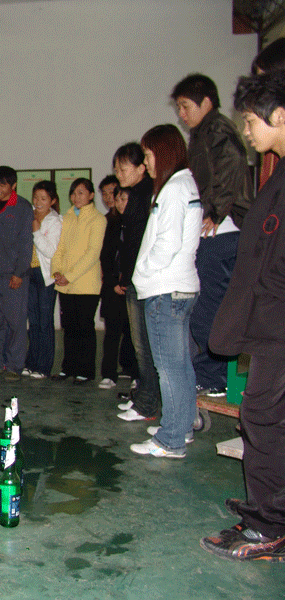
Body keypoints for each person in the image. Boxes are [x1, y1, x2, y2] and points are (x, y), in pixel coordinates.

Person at [200, 71, 285, 561]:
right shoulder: (278, 175)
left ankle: (269, 526)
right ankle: (268, 514)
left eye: (251, 121)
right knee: (265, 416)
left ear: (279, 115)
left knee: (263, 416)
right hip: (270, 322)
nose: (246, 132)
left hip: (279, 324)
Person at [171, 74, 253, 398]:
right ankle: (213, 373)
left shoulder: (217, 128)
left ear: (206, 102)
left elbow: (232, 163)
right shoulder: (202, 132)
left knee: (208, 309)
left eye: (185, 106)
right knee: (209, 308)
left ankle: (214, 376)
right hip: (219, 229)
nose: (181, 114)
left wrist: (216, 211)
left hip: (224, 230)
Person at [129, 124, 201, 458]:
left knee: (169, 369)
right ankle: (181, 427)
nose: (146, 162)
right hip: (180, 287)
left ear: (164, 152)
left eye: (148, 155)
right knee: (181, 365)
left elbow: (167, 243)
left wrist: (143, 271)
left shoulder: (173, 188)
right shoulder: (184, 183)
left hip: (165, 288)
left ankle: (170, 439)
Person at [112, 143, 161, 422]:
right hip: (134, 277)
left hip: (142, 279)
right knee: (139, 343)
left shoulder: (145, 195)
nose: (118, 174)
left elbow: (137, 243)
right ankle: (143, 396)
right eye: (116, 169)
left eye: (123, 168)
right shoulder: (137, 194)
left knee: (145, 346)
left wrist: (128, 274)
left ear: (141, 167)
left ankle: (147, 405)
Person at [50, 178, 106, 384]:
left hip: (86, 284)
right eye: (73, 193)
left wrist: (70, 276)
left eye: (81, 192)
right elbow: (60, 248)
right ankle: (68, 368)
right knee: (69, 328)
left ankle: (86, 371)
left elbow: (92, 253)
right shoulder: (68, 217)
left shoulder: (98, 219)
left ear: (91, 195)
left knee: (84, 328)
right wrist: (56, 271)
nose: (76, 197)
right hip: (65, 285)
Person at [0, 166, 33, 381]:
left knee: (16, 323)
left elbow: (26, 242)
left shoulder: (22, 207)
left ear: (13, 185)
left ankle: (14, 365)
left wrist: (19, 272)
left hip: (14, 275)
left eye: (2, 184)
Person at [98, 174, 137, 390]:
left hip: (132, 285)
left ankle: (134, 373)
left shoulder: (138, 222)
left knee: (133, 332)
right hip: (112, 287)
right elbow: (105, 256)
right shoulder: (109, 222)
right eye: (117, 198)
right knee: (112, 333)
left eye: (123, 198)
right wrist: (113, 282)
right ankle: (108, 374)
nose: (114, 200)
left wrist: (127, 281)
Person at [24, 180, 62, 379]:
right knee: (33, 321)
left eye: (43, 198)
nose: (38, 202)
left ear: (52, 201)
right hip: (29, 273)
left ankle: (44, 367)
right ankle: (31, 363)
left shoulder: (55, 221)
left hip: (45, 275)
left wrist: (36, 230)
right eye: (36, 197)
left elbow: (50, 251)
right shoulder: (29, 215)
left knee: (45, 322)